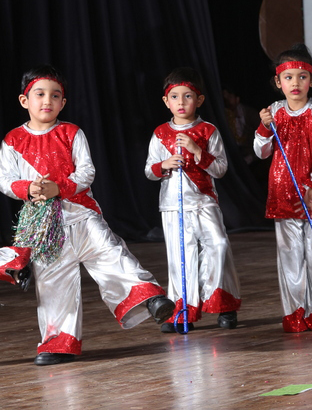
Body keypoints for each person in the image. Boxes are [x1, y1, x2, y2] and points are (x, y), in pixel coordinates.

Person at [0, 65, 174, 366]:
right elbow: (5, 180)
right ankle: (58, 343)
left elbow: (86, 172)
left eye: (55, 95)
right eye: (40, 94)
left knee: (111, 253)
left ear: (63, 103)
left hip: (81, 214)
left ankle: (149, 297)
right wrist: (27, 188)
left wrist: (59, 187)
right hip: (45, 227)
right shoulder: (13, 140)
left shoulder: (71, 133)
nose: (47, 100)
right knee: (53, 283)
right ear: (24, 100)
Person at [145, 67, 241, 333]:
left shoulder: (208, 130)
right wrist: (163, 165)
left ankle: (223, 303)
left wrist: (197, 150)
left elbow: (220, 169)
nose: (181, 102)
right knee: (181, 257)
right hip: (173, 206)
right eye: (175, 96)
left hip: (204, 202)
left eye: (188, 96)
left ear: (199, 100)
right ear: (166, 101)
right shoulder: (160, 133)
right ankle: (182, 310)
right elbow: (149, 170)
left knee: (218, 245)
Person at [254, 44, 312, 333]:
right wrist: (264, 128)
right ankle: (295, 312)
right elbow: (261, 152)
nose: (295, 83)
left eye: (302, 77)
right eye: (288, 77)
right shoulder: (274, 112)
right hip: (283, 194)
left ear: (311, 80)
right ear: (278, 82)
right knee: (290, 257)